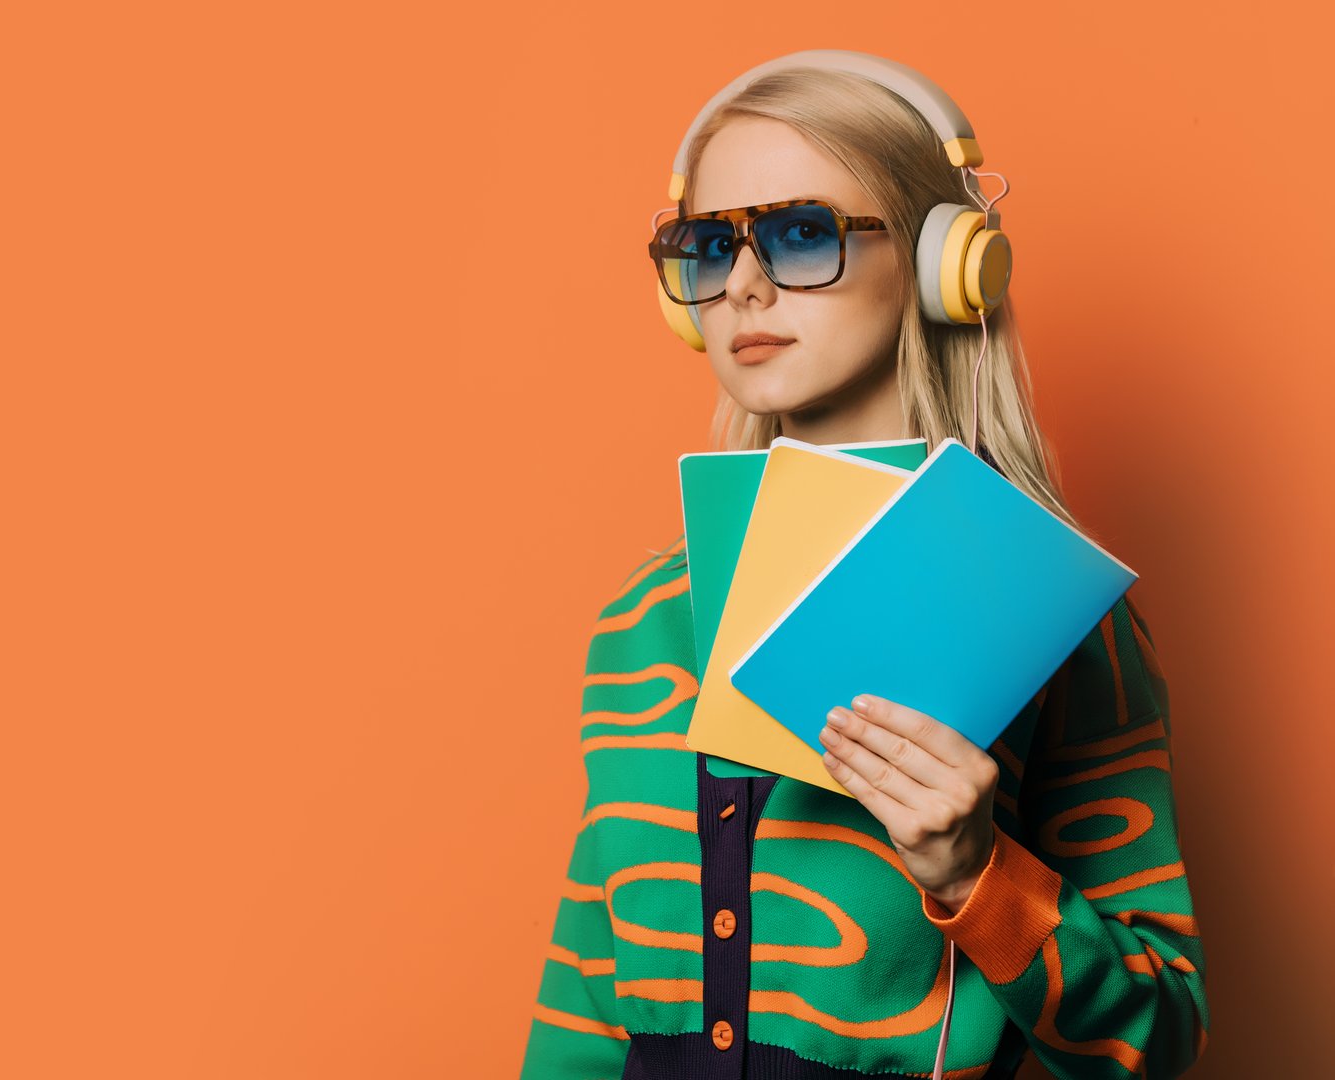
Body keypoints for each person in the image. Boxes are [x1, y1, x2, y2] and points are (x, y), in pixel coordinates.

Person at [518, 51, 1209, 1080]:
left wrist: (978, 876)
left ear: (946, 264)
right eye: (710, 247)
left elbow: (1158, 1037)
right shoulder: (642, 620)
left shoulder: (1053, 615)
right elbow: (580, 1005)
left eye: (802, 235)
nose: (745, 284)